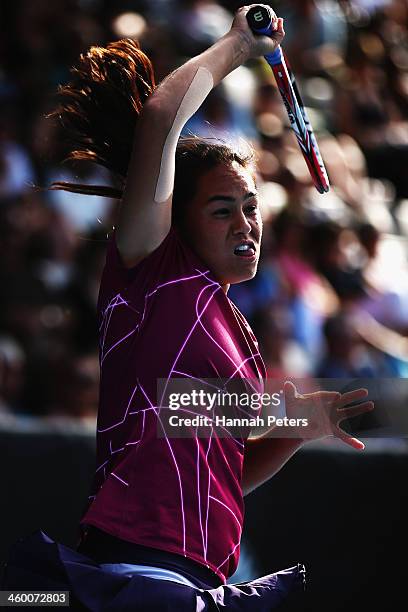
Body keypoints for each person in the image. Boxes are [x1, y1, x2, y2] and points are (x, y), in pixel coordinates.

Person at [1, 5, 373, 610]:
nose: (246, 224)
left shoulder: (236, 332)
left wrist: (291, 435)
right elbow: (159, 120)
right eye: (222, 210)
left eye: (251, 208)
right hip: (138, 574)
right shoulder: (153, 271)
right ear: (177, 219)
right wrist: (233, 47)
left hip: (198, 583)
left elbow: (221, 474)